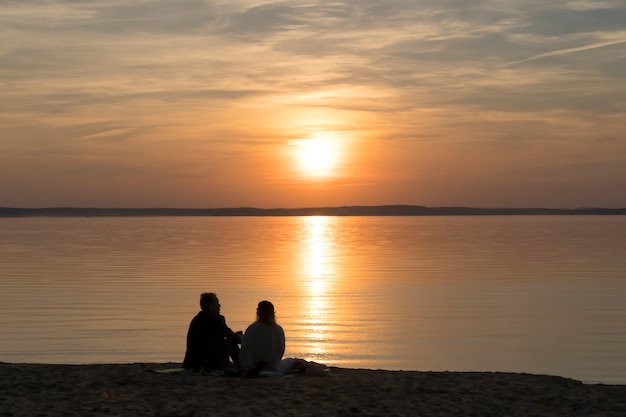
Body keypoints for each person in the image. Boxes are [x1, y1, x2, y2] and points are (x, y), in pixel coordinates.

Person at [182, 292, 241, 373]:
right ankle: (240, 366)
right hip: (210, 362)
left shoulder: (196, 319)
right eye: (217, 303)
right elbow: (230, 335)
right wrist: (241, 338)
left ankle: (233, 364)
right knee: (233, 342)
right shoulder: (217, 319)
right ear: (210, 306)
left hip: (193, 362)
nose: (220, 306)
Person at [240, 300, 285, 376]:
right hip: (271, 368)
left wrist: (250, 366)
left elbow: (245, 350)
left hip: (252, 367)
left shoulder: (251, 329)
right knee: (290, 361)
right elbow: (279, 351)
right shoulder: (278, 330)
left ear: (258, 313)